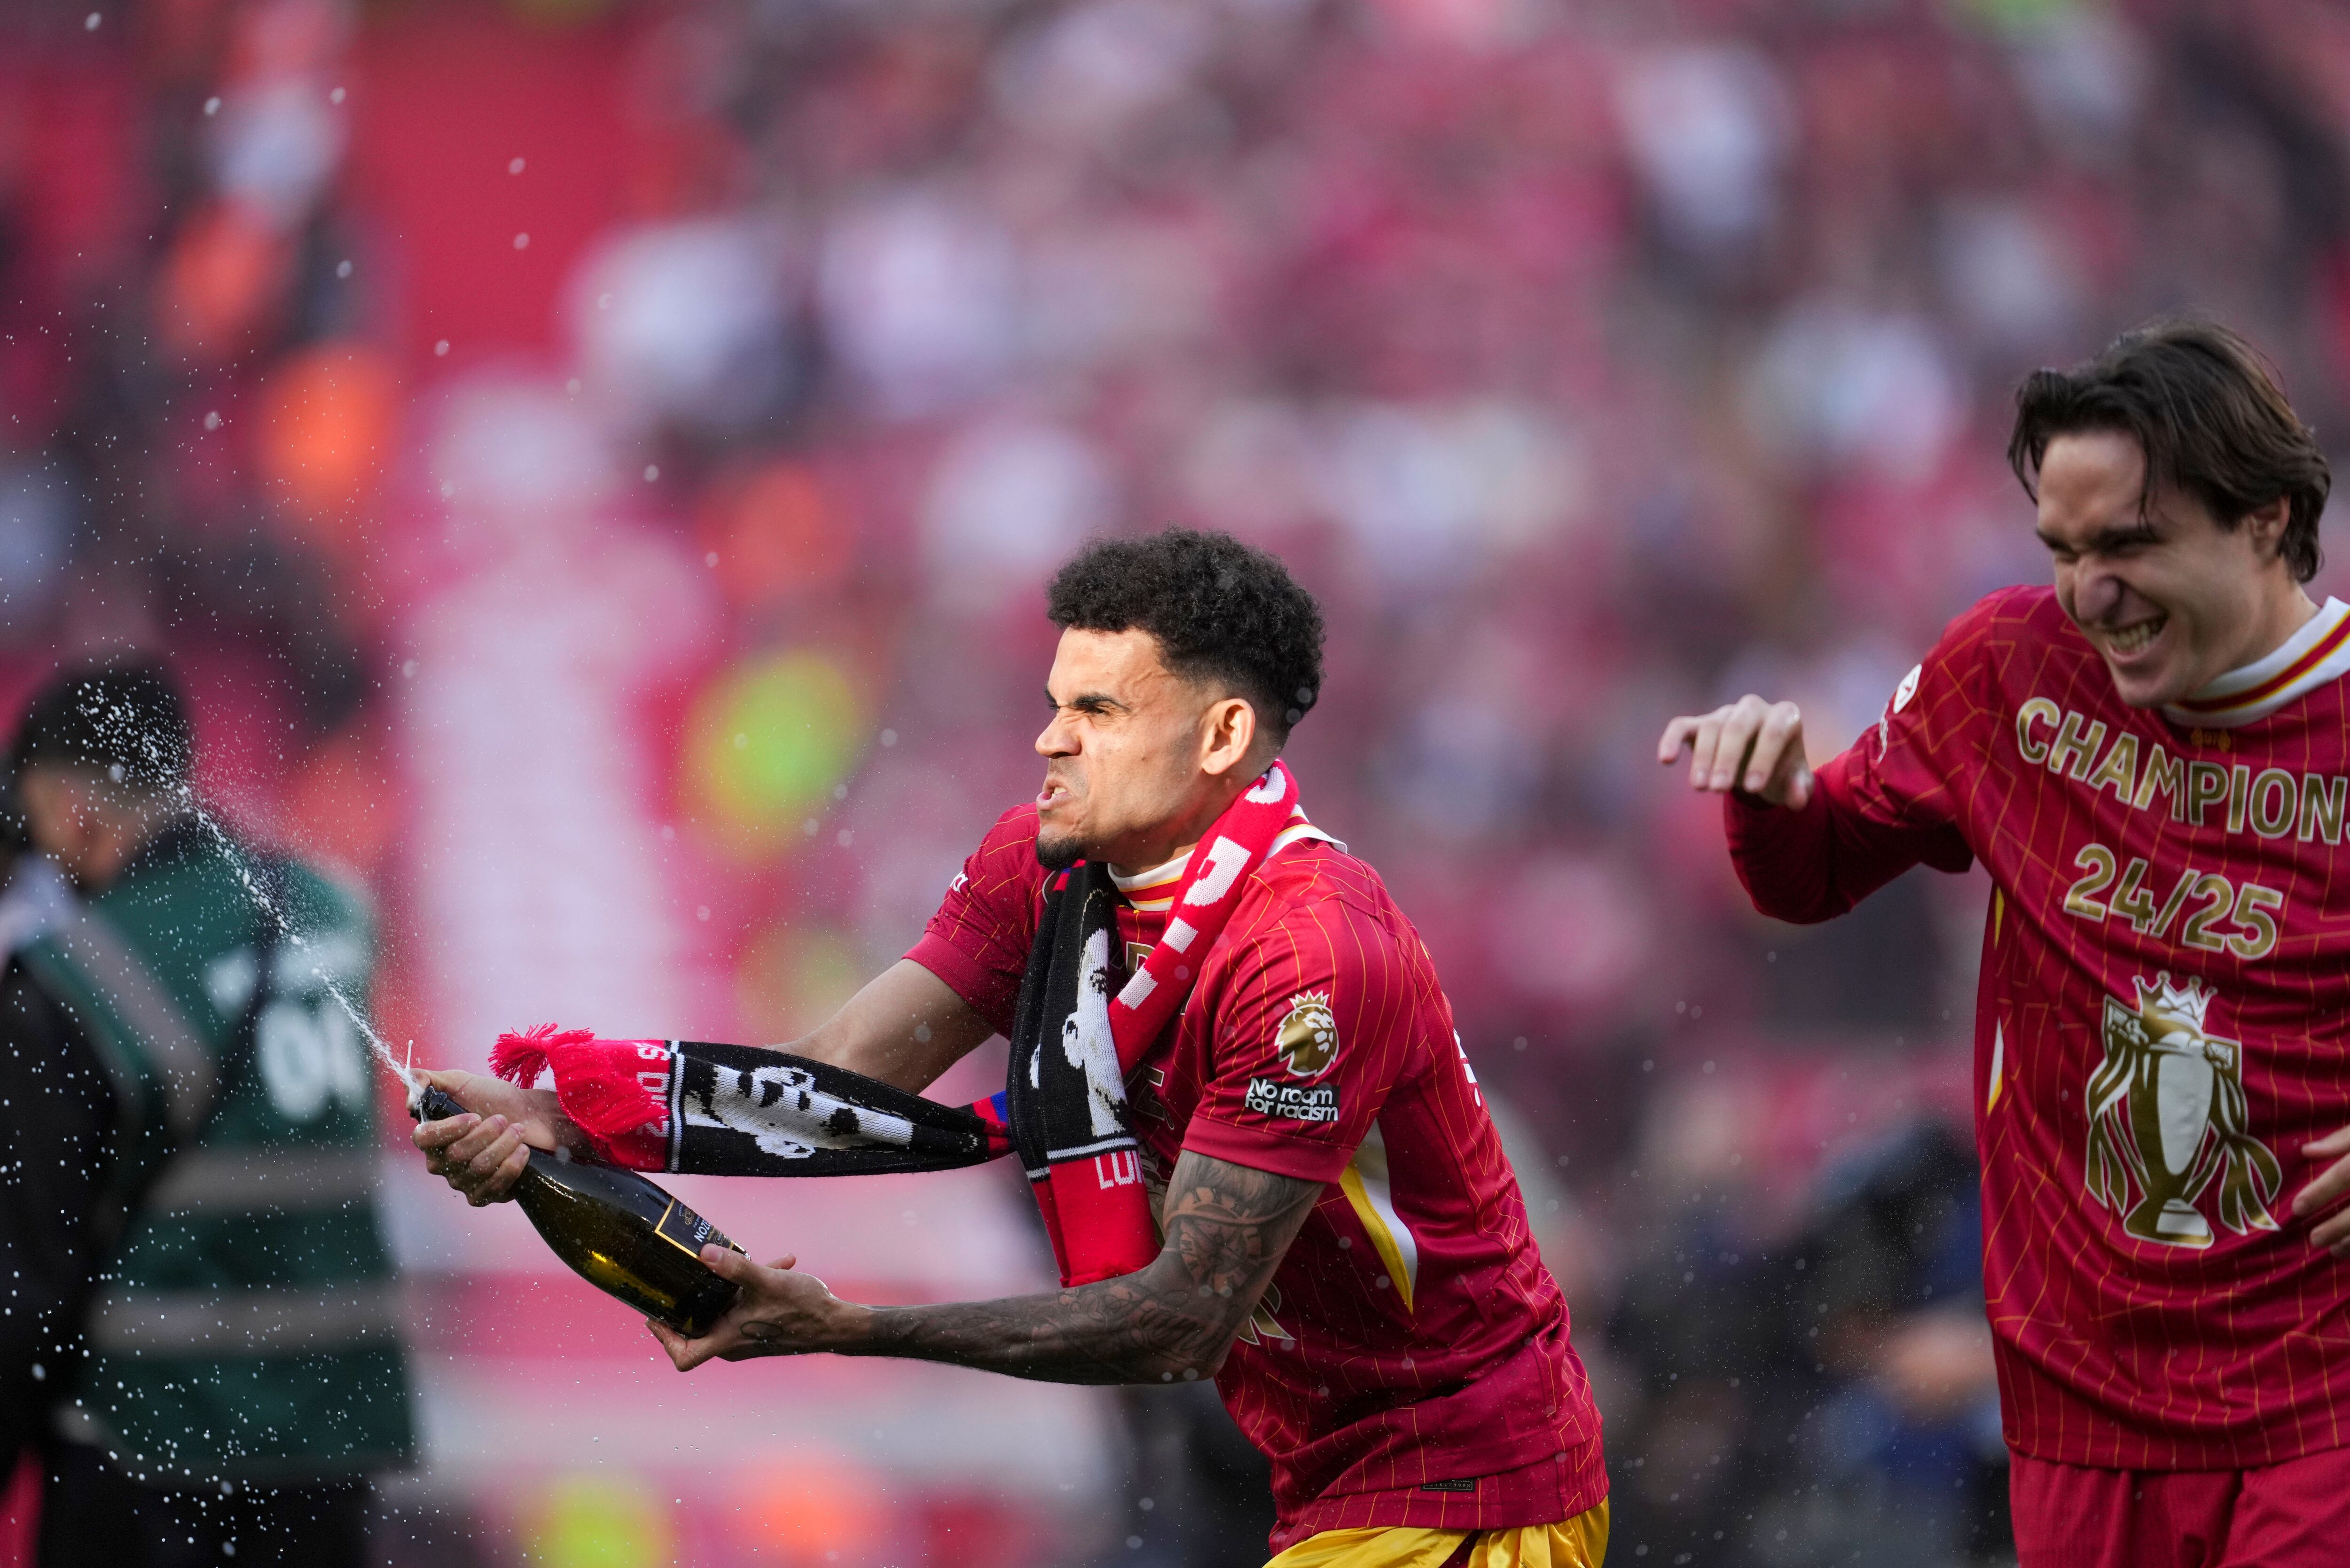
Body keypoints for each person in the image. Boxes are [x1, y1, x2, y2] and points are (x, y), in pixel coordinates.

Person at [418, 529, 1610, 1568]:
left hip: (1472, 1485)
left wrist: (846, 1328)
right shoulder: (1043, 870)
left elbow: (1178, 1322)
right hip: (1306, 1469)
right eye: (1055, 703)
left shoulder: (1313, 959)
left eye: (1098, 713)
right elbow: (846, 1075)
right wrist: (567, 1120)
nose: (1051, 740)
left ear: (1221, 734)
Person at [1658, 319, 2350, 1566]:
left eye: (2129, 545)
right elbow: (1813, 875)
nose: (2091, 591)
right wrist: (1769, 798)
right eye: (2065, 550)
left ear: (2265, 520)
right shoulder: (2010, 671)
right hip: (2074, 1407)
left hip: (2315, 1403)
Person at [0, 664, 415, 1567]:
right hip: (331, 1446)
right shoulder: (334, 913)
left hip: (149, 1458)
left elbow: (26, 1281)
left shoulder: (74, 978)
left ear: (71, 807)